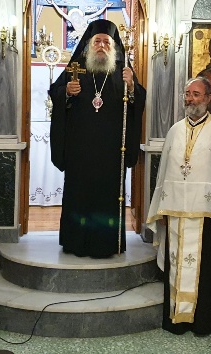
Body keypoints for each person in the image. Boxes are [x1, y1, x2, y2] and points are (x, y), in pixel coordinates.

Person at [146, 77, 211, 336]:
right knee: (177, 265)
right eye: (187, 93)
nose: (190, 99)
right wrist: (162, 209)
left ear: (208, 98)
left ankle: (205, 321)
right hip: (176, 213)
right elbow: (164, 175)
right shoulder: (174, 131)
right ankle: (177, 320)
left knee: (207, 270)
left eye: (196, 94)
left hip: (208, 216)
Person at [49, 19, 146, 258]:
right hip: (79, 151)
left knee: (107, 198)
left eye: (106, 42)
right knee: (79, 196)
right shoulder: (76, 68)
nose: (101, 45)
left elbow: (138, 100)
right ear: (89, 45)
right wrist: (66, 93)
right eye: (97, 41)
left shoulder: (123, 71)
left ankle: (107, 243)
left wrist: (132, 87)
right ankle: (75, 241)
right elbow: (55, 91)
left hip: (111, 153)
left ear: (113, 47)